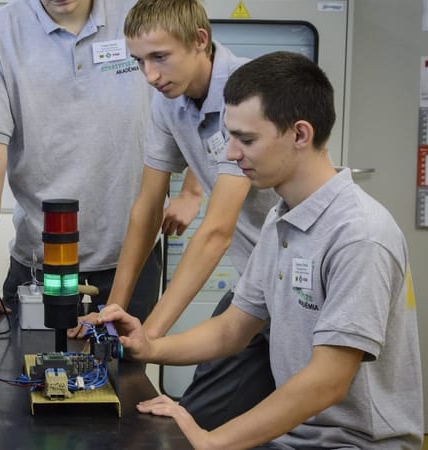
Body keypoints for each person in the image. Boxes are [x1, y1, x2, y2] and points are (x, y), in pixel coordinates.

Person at [100, 51, 423, 449]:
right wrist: (150, 346)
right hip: (298, 439)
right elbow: (232, 329)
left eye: (246, 140)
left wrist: (213, 441)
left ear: (300, 135)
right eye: (230, 137)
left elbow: (328, 381)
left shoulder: (359, 235)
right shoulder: (281, 219)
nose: (231, 154)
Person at [69, 0, 280, 429]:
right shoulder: (169, 104)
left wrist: (148, 335)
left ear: (199, 40)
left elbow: (216, 231)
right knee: (197, 415)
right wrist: (113, 313)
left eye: (159, 57)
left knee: (303, 419)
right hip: (256, 283)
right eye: (139, 61)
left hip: (296, 281)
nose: (149, 75)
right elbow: (147, 208)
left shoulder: (246, 95)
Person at [0, 0, 163, 324]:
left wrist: (191, 190)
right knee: (26, 356)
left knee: (124, 358)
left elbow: (191, 89)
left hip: (132, 258)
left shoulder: (139, 14)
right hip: (41, 265)